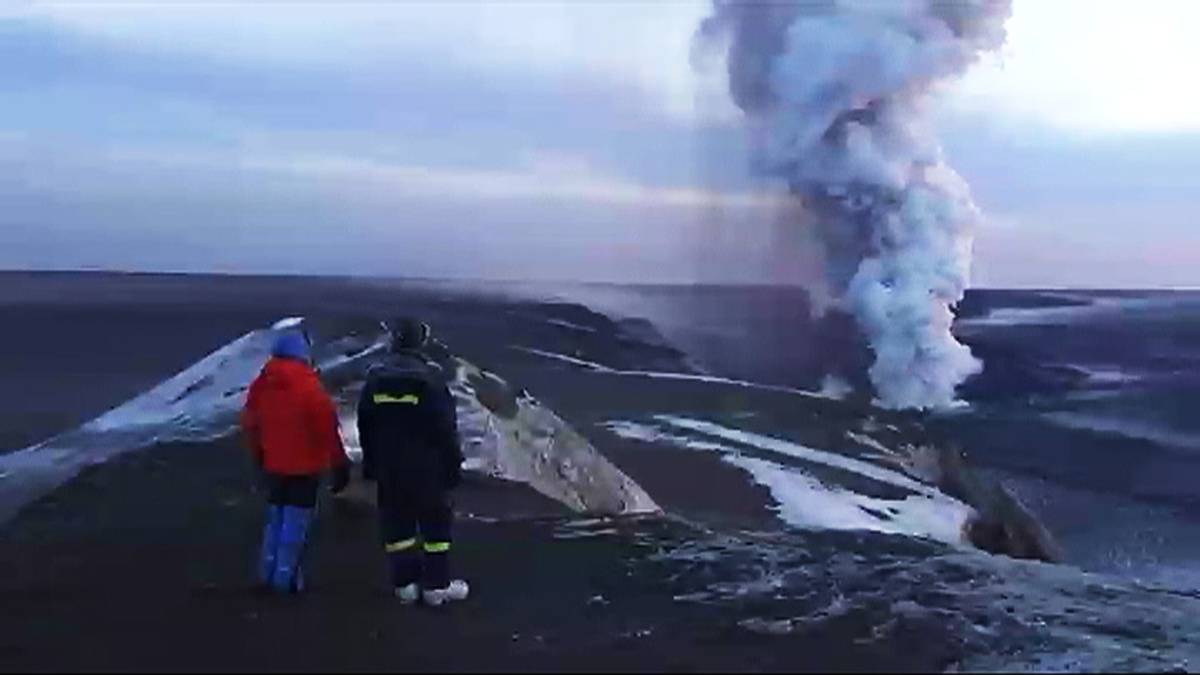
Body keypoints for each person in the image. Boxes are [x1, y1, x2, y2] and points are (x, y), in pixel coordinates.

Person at [356, 318, 468, 606]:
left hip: (389, 469)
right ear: (421, 343)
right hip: (427, 470)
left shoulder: (375, 380)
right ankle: (436, 587)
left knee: (397, 526)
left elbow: (365, 426)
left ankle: (405, 584)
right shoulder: (430, 380)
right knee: (436, 529)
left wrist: (371, 465)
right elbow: (445, 428)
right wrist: (453, 466)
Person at [241, 327, 350, 594]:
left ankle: (266, 574)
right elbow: (327, 428)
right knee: (296, 524)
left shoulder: (262, 384)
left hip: (272, 465)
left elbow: (250, 422)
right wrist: (339, 463)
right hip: (305, 468)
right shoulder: (309, 387)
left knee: (275, 520)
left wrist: (258, 456)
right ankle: (285, 580)